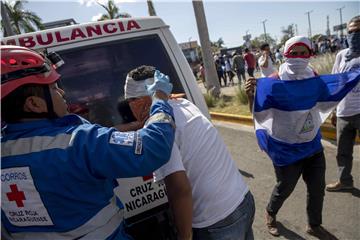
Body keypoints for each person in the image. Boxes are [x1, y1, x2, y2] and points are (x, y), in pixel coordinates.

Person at [1, 45, 176, 239]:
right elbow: (153, 148)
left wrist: (135, 125)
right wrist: (159, 99)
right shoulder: (78, 142)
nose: (62, 92)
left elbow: (100, 139)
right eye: (53, 88)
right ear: (34, 104)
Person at [118, 65, 255, 240]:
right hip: (242, 200)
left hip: (216, 222)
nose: (129, 109)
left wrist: (184, 237)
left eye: (129, 102)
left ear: (139, 103)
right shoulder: (183, 103)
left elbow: (179, 189)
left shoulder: (160, 131)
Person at [245, 36, 331, 239]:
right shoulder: (274, 82)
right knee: (284, 188)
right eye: (294, 53)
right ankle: (271, 213)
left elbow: (325, 97)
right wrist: (251, 97)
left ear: (310, 54)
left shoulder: (314, 75)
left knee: (317, 189)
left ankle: (314, 225)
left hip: (312, 145)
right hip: (286, 148)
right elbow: (259, 114)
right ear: (285, 54)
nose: (299, 58)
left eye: (303, 53)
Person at [326, 15, 360, 192]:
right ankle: (345, 181)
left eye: (358, 31)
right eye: (351, 32)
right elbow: (336, 83)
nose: (354, 35)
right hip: (344, 113)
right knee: (343, 153)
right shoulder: (341, 56)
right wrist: (333, 110)